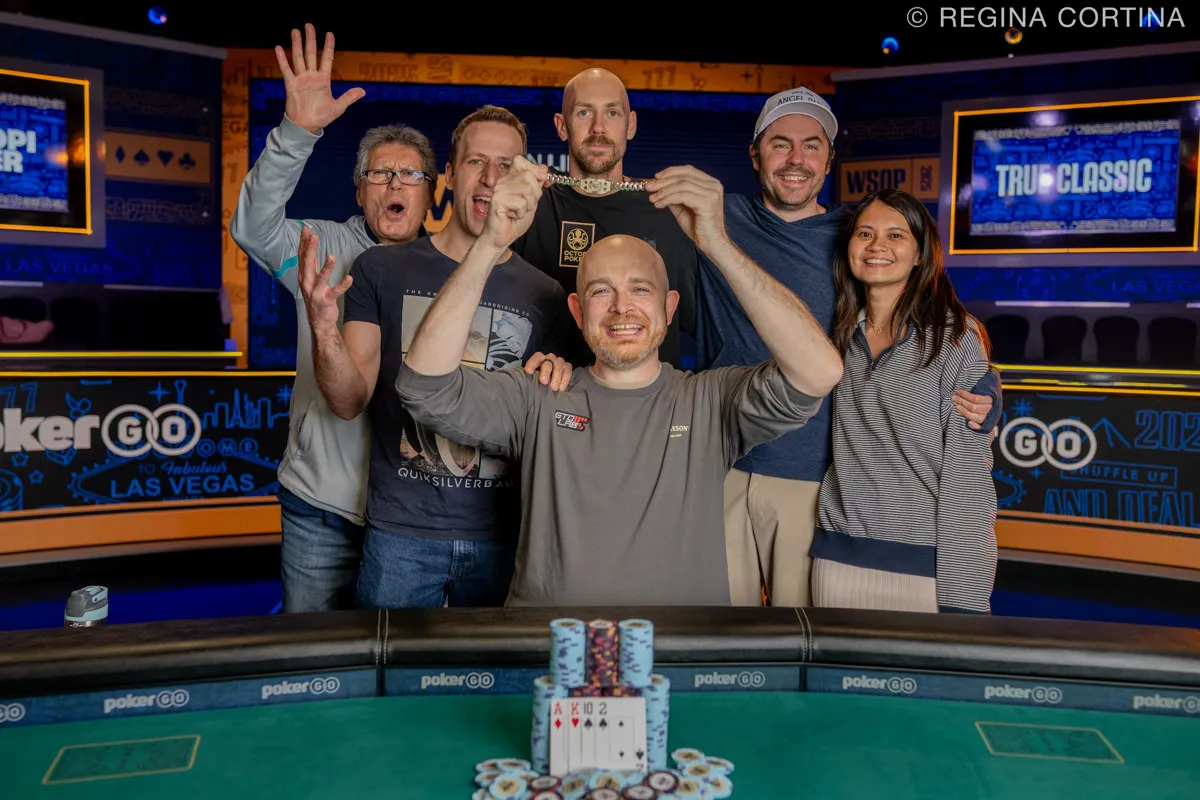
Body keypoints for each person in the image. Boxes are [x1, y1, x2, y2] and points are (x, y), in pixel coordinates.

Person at [392, 155, 844, 606]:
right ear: (577, 311)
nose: (621, 307)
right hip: (551, 643)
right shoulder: (539, 395)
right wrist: (490, 245)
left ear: (669, 308)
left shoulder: (709, 401)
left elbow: (819, 371)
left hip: (679, 647)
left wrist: (718, 244)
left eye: (640, 289)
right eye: (601, 290)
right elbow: (423, 386)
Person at [691, 87, 1002, 608]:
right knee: (720, 631)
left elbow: (928, 321)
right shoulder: (713, 217)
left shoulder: (854, 234)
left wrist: (984, 387)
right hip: (721, 466)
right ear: (755, 154)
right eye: (780, 144)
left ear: (830, 159)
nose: (796, 159)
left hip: (811, 479)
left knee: (802, 637)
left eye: (811, 145)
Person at [298, 107, 575, 609]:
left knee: (498, 665)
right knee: (387, 662)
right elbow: (347, 400)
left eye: (507, 166)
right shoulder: (381, 267)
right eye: (476, 162)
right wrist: (323, 328)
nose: (491, 179)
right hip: (400, 534)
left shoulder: (548, 294)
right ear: (448, 175)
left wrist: (562, 377)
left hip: (504, 536)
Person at [229, 23, 434, 613]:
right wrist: (297, 133)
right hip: (321, 505)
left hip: (416, 515)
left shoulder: (453, 269)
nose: (394, 183)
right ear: (359, 191)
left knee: (396, 657)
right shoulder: (318, 248)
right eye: (379, 173)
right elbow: (253, 227)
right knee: (310, 652)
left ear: (430, 192)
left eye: (410, 175)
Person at [813, 188, 997, 613]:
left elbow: (968, 479)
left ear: (920, 254)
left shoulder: (955, 338)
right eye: (865, 233)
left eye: (895, 235)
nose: (877, 245)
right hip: (836, 559)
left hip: (923, 566)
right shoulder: (837, 334)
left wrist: (964, 601)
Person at [510, 68, 699, 370]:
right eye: (584, 113)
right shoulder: (530, 207)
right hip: (550, 392)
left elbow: (703, 321)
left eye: (612, 113)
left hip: (651, 396)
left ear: (631, 125)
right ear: (562, 126)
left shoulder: (670, 210)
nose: (598, 127)